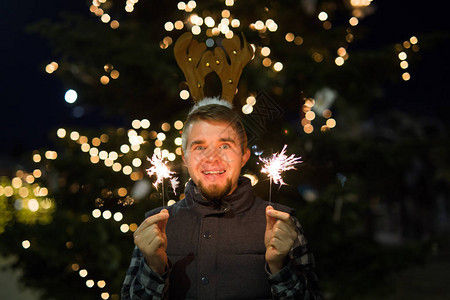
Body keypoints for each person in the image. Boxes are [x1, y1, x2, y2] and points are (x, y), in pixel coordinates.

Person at [122, 98, 321, 299]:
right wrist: (154, 268)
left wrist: (279, 267)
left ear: (244, 155)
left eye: (224, 146)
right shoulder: (155, 226)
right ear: (185, 158)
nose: (212, 158)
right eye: (199, 147)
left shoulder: (282, 222)